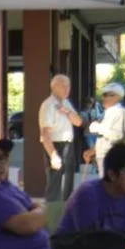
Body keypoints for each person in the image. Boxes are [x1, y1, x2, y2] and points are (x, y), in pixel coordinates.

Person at [55, 144, 125, 235]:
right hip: (71, 245)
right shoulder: (87, 194)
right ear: (112, 175)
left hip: (110, 245)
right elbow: (88, 240)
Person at [39, 73, 83, 202]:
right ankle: (53, 214)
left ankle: (66, 211)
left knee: (67, 182)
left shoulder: (66, 102)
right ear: (54, 87)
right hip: (55, 145)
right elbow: (45, 133)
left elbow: (78, 122)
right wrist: (53, 155)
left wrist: (67, 112)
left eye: (68, 85)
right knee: (55, 185)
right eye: (63, 86)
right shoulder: (48, 105)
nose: (67, 89)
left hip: (68, 144)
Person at [86, 83, 125, 176]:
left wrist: (98, 127)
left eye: (106, 95)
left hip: (111, 155)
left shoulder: (118, 112)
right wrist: (94, 149)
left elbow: (117, 135)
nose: (103, 98)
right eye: (103, 95)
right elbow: (103, 136)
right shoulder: (110, 111)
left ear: (116, 97)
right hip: (105, 154)